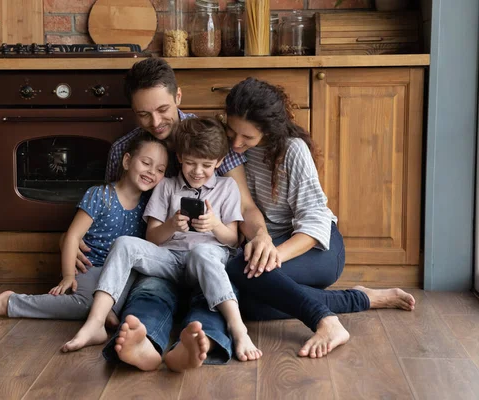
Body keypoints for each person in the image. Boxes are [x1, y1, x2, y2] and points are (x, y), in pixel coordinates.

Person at [70, 57, 277, 371]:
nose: (155, 122)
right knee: (148, 296)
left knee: (208, 290)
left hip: (205, 256)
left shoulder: (211, 139)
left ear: (178, 97)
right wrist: (73, 238)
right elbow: (113, 207)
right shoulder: (127, 152)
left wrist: (261, 235)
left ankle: (199, 345)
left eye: (163, 110)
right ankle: (140, 343)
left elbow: (245, 209)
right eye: (143, 114)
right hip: (160, 257)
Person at [222, 77, 416, 358]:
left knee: (243, 272)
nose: (237, 143)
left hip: (318, 246)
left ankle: (327, 322)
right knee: (250, 305)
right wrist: (262, 243)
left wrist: (272, 255)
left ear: (269, 131)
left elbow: (314, 226)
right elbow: (245, 207)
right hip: (270, 243)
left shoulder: (292, 151)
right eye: (232, 132)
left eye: (247, 137)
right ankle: (362, 298)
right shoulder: (231, 149)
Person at [0, 133, 169, 322]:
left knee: (140, 289)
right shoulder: (100, 195)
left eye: (160, 170)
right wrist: (67, 275)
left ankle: (105, 310)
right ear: (127, 161)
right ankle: (11, 303)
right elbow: (73, 236)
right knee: (83, 304)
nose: (152, 172)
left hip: (122, 271)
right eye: (146, 163)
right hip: (91, 266)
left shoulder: (151, 203)